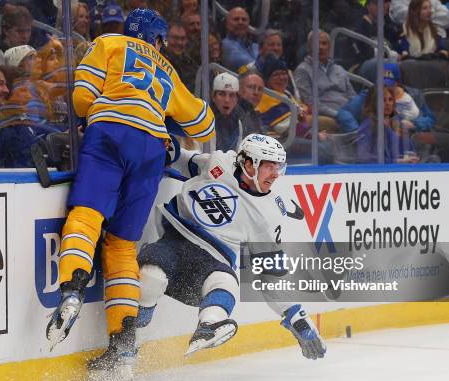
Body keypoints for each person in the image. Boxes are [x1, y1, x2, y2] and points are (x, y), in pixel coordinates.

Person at [46, 8, 215, 381]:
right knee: (122, 243)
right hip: (153, 146)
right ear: (157, 39)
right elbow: (204, 123)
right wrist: (167, 113)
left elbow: (82, 99)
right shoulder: (168, 69)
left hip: (110, 132)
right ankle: (123, 349)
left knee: (87, 215)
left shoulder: (107, 43)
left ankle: (72, 289)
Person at [135, 134, 326, 359]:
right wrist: (159, 146)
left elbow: (272, 277)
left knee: (226, 283)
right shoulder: (220, 163)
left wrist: (299, 320)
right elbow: (184, 160)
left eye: (278, 166)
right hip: (176, 239)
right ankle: (128, 346)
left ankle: (208, 327)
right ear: (248, 164)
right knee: (150, 278)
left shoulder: (268, 216)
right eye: (269, 166)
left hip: (213, 259)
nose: (276, 174)